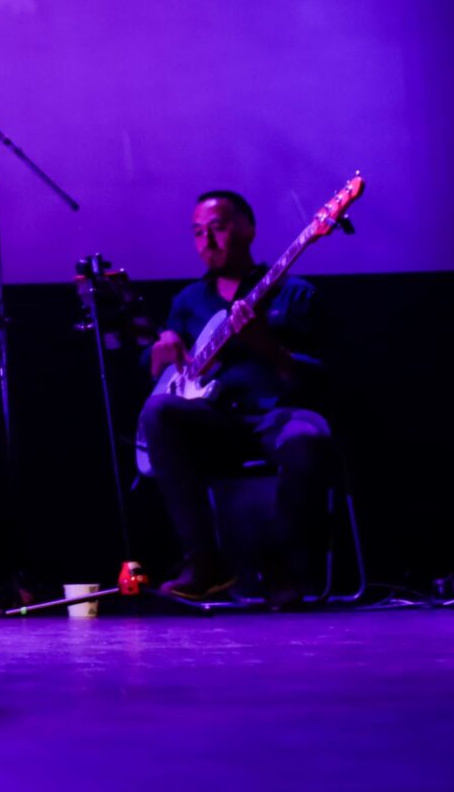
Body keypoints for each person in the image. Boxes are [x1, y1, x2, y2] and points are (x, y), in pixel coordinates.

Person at [138, 190, 333, 607]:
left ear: (249, 230)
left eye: (218, 228)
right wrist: (160, 349)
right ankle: (205, 563)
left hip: (277, 416)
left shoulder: (296, 294)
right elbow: (162, 369)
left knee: (307, 437)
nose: (206, 241)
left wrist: (267, 345)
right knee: (158, 411)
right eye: (197, 232)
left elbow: (316, 380)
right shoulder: (188, 301)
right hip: (217, 421)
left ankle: (287, 571)